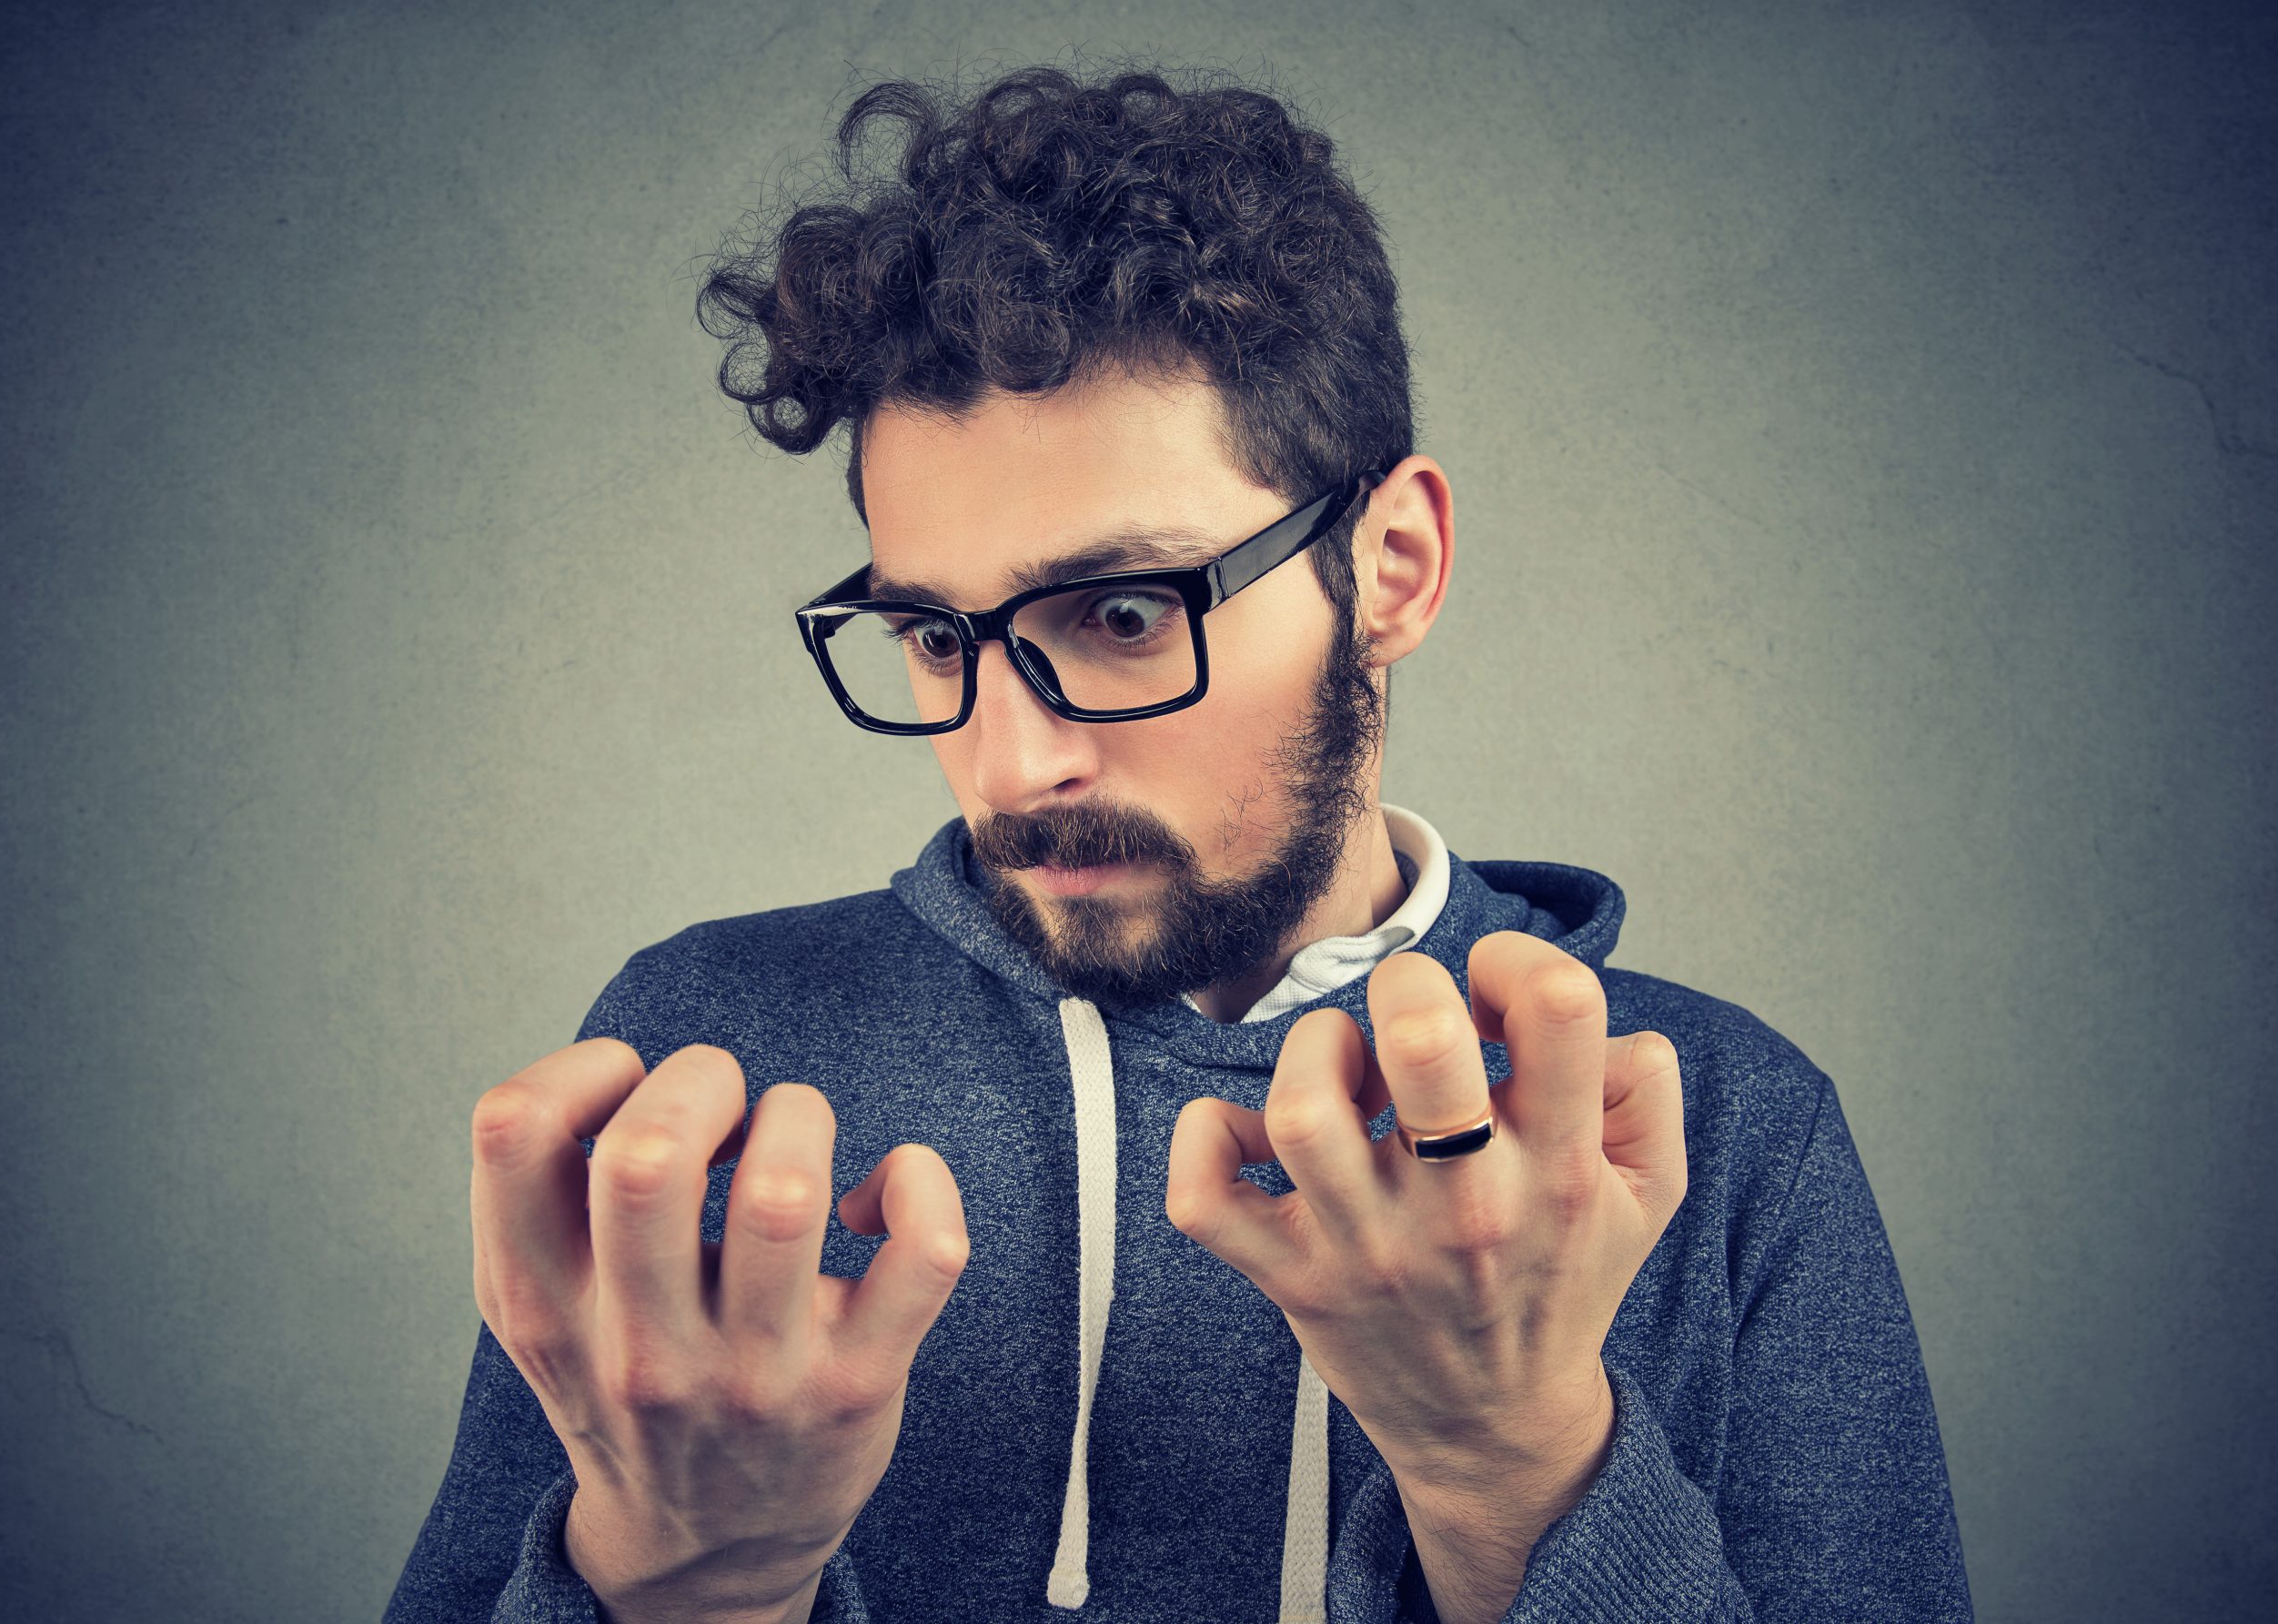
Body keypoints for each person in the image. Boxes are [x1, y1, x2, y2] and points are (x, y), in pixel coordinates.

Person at [384, 64, 1972, 1624]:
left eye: (1127, 614)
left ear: (1394, 568)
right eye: (935, 637)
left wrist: (1517, 1471)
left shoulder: (1717, 1131)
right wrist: (686, 1586)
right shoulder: (703, 1083)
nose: (1012, 763)